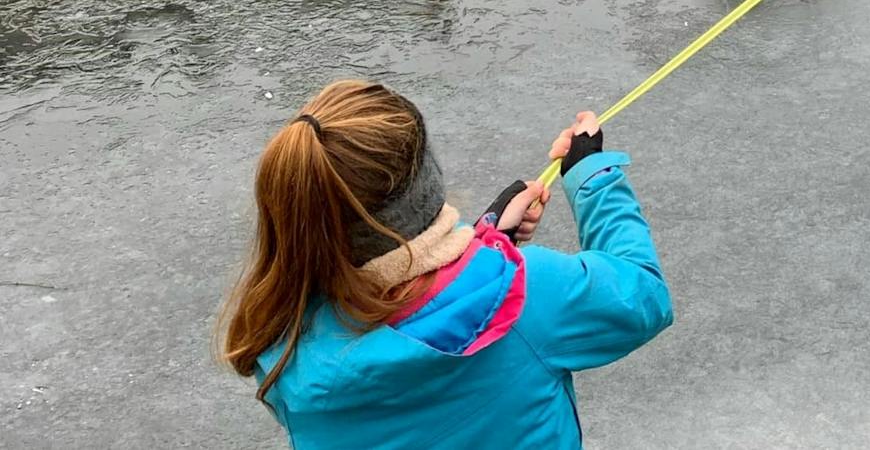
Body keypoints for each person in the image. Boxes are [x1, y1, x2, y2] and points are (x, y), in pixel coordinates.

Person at [221, 80, 673, 450]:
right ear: (425, 183)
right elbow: (643, 297)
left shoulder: (281, 335)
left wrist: (487, 239)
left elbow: (402, 310)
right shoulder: (524, 296)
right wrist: (589, 175)